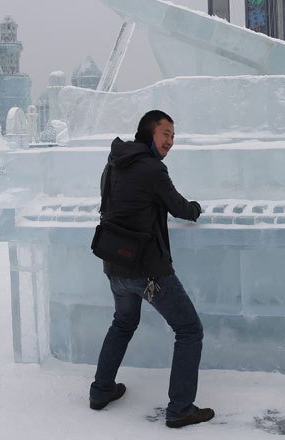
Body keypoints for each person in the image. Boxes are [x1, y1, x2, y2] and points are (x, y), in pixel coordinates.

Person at [89, 110, 214, 429]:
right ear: (149, 133)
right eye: (165, 133)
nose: (170, 141)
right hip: (146, 271)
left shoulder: (114, 163)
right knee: (189, 330)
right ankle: (181, 409)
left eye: (173, 135)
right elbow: (181, 208)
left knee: (123, 322)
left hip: (114, 264)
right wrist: (197, 208)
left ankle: (101, 391)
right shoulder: (153, 168)